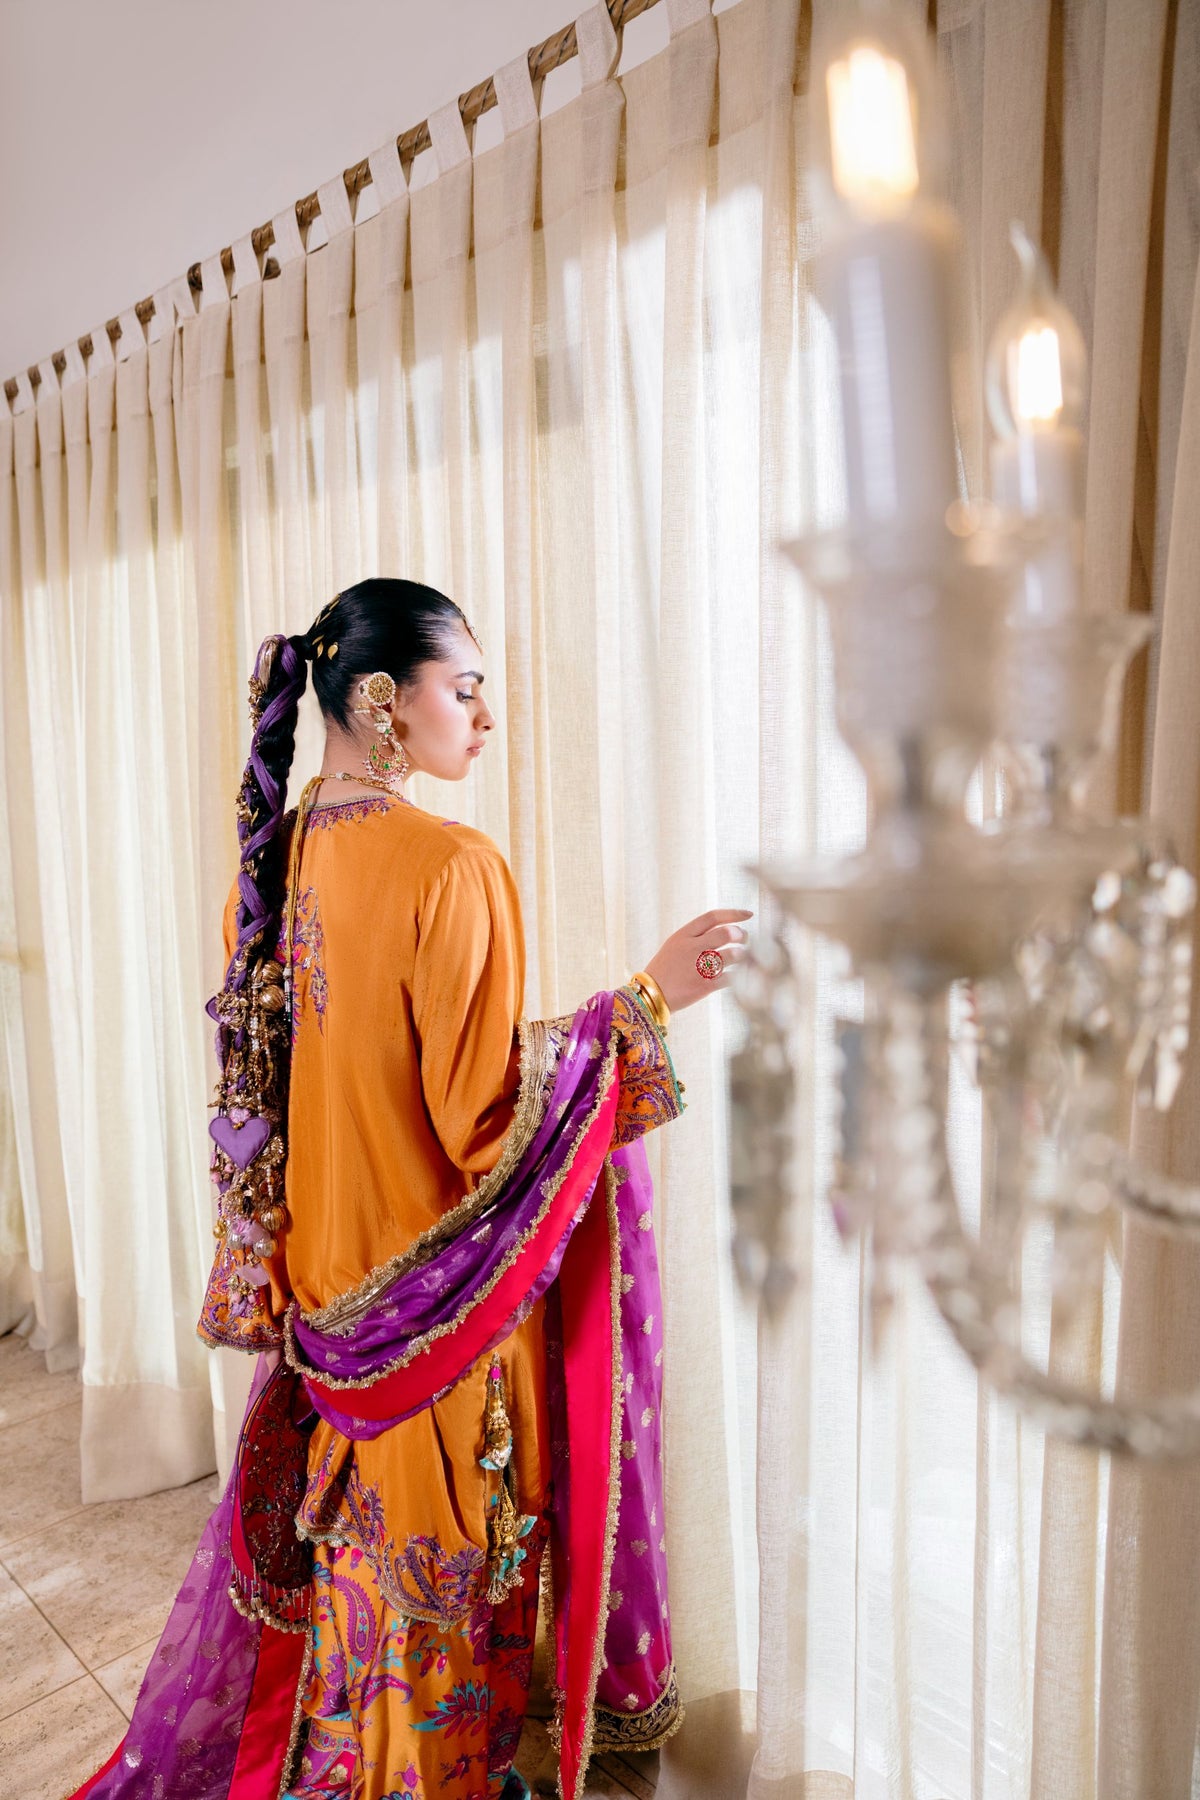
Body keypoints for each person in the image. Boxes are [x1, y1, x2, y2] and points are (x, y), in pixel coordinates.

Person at [73, 577, 750, 1800]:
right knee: (438, 1626)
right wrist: (644, 1002)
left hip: (330, 1324)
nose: (486, 717)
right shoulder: (453, 865)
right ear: (383, 700)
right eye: (467, 688)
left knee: (363, 1613)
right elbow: (485, 1124)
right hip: (439, 1326)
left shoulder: (267, 872)